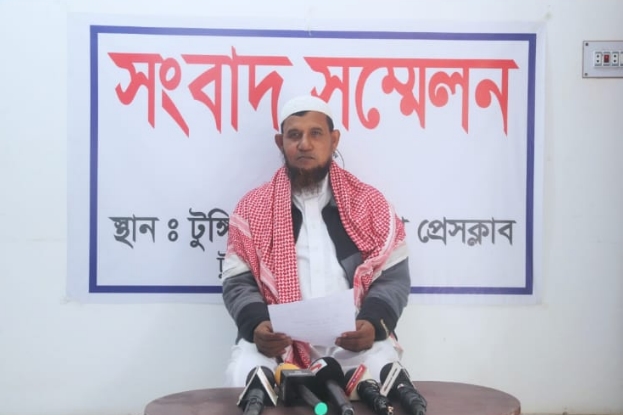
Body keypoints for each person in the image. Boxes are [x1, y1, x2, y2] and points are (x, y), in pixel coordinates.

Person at [221, 95, 411, 387]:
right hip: (279, 345)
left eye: (316, 133)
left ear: (334, 140)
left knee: (382, 374)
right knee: (244, 376)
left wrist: (374, 323)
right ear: (280, 142)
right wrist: (257, 324)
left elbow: (393, 278)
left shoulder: (369, 204)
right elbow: (237, 282)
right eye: (294, 135)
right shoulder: (252, 208)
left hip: (351, 343)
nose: (305, 144)